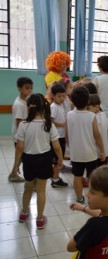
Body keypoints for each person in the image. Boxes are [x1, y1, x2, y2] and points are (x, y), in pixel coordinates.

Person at [12, 94, 63, 229]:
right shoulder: (49, 125)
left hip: (28, 160)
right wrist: (60, 159)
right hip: (44, 160)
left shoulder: (23, 125)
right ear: (44, 108)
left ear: (28, 108)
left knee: (28, 188)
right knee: (41, 190)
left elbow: (19, 147)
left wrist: (16, 165)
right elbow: (57, 147)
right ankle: (40, 219)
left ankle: (23, 213)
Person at [66, 86, 105, 204]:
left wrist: (70, 146)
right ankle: (91, 197)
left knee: (77, 176)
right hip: (90, 154)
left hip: (76, 154)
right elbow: (97, 135)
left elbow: (67, 134)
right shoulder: (91, 116)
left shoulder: (69, 115)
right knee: (91, 177)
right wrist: (102, 150)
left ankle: (79, 198)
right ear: (88, 100)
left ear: (72, 100)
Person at [8, 77, 33, 182]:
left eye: (31, 88)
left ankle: (13, 174)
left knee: (20, 157)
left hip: (22, 136)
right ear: (19, 88)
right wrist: (23, 138)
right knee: (23, 158)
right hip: (20, 136)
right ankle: (28, 180)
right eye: (27, 88)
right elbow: (19, 123)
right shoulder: (19, 104)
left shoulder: (25, 101)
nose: (30, 90)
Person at [49, 83, 69, 188]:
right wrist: (61, 124)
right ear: (53, 96)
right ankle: (55, 180)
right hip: (56, 138)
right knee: (57, 161)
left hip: (61, 136)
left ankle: (55, 177)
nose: (62, 98)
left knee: (58, 160)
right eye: (59, 96)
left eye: (63, 95)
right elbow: (50, 121)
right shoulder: (53, 107)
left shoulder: (60, 105)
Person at [87, 94, 108, 166]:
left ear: (97, 107)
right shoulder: (104, 114)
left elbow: (96, 135)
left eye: (88, 108)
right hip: (105, 149)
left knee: (96, 171)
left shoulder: (94, 118)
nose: (87, 111)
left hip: (98, 151)